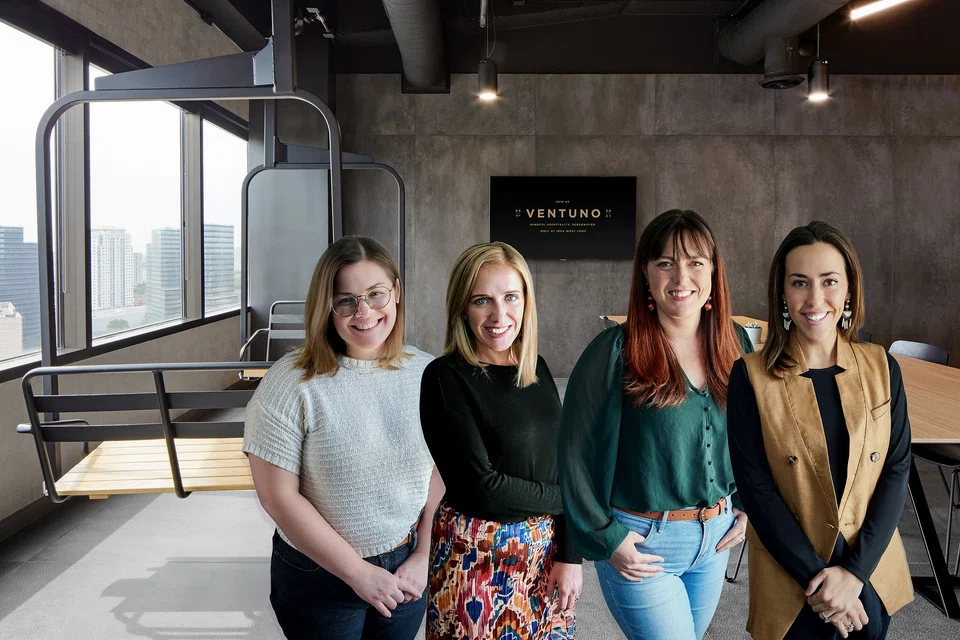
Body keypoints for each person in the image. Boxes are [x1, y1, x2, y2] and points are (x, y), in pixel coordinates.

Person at [558, 209, 752, 640]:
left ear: (713, 271)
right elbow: (573, 457)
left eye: (695, 262)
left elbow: (746, 437)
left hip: (715, 540)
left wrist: (744, 505)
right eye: (665, 262)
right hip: (644, 543)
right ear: (645, 273)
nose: (681, 276)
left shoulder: (736, 344)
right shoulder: (612, 353)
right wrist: (607, 538)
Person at [243, 235, 445, 640]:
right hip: (319, 576)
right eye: (346, 299)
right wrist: (358, 573)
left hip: (405, 564)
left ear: (397, 293)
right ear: (326, 307)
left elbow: (439, 472)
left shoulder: (430, 373)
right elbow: (278, 497)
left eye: (376, 294)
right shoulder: (291, 381)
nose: (364, 311)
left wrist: (423, 552)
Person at [726, 221, 912, 640]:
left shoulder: (882, 367)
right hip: (793, 581)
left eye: (829, 281)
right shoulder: (750, 376)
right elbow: (755, 488)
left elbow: (896, 470)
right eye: (799, 283)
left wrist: (853, 575)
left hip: (869, 575)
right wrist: (823, 585)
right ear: (782, 293)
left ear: (849, 290)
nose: (815, 299)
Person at [420, 241, 582, 640]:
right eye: (482, 300)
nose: (499, 315)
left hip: (544, 556)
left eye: (511, 297)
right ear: (462, 306)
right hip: (475, 558)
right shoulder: (445, 377)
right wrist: (572, 499)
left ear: (526, 300)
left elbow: (560, 466)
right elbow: (482, 489)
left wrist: (570, 556)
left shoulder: (537, 368)